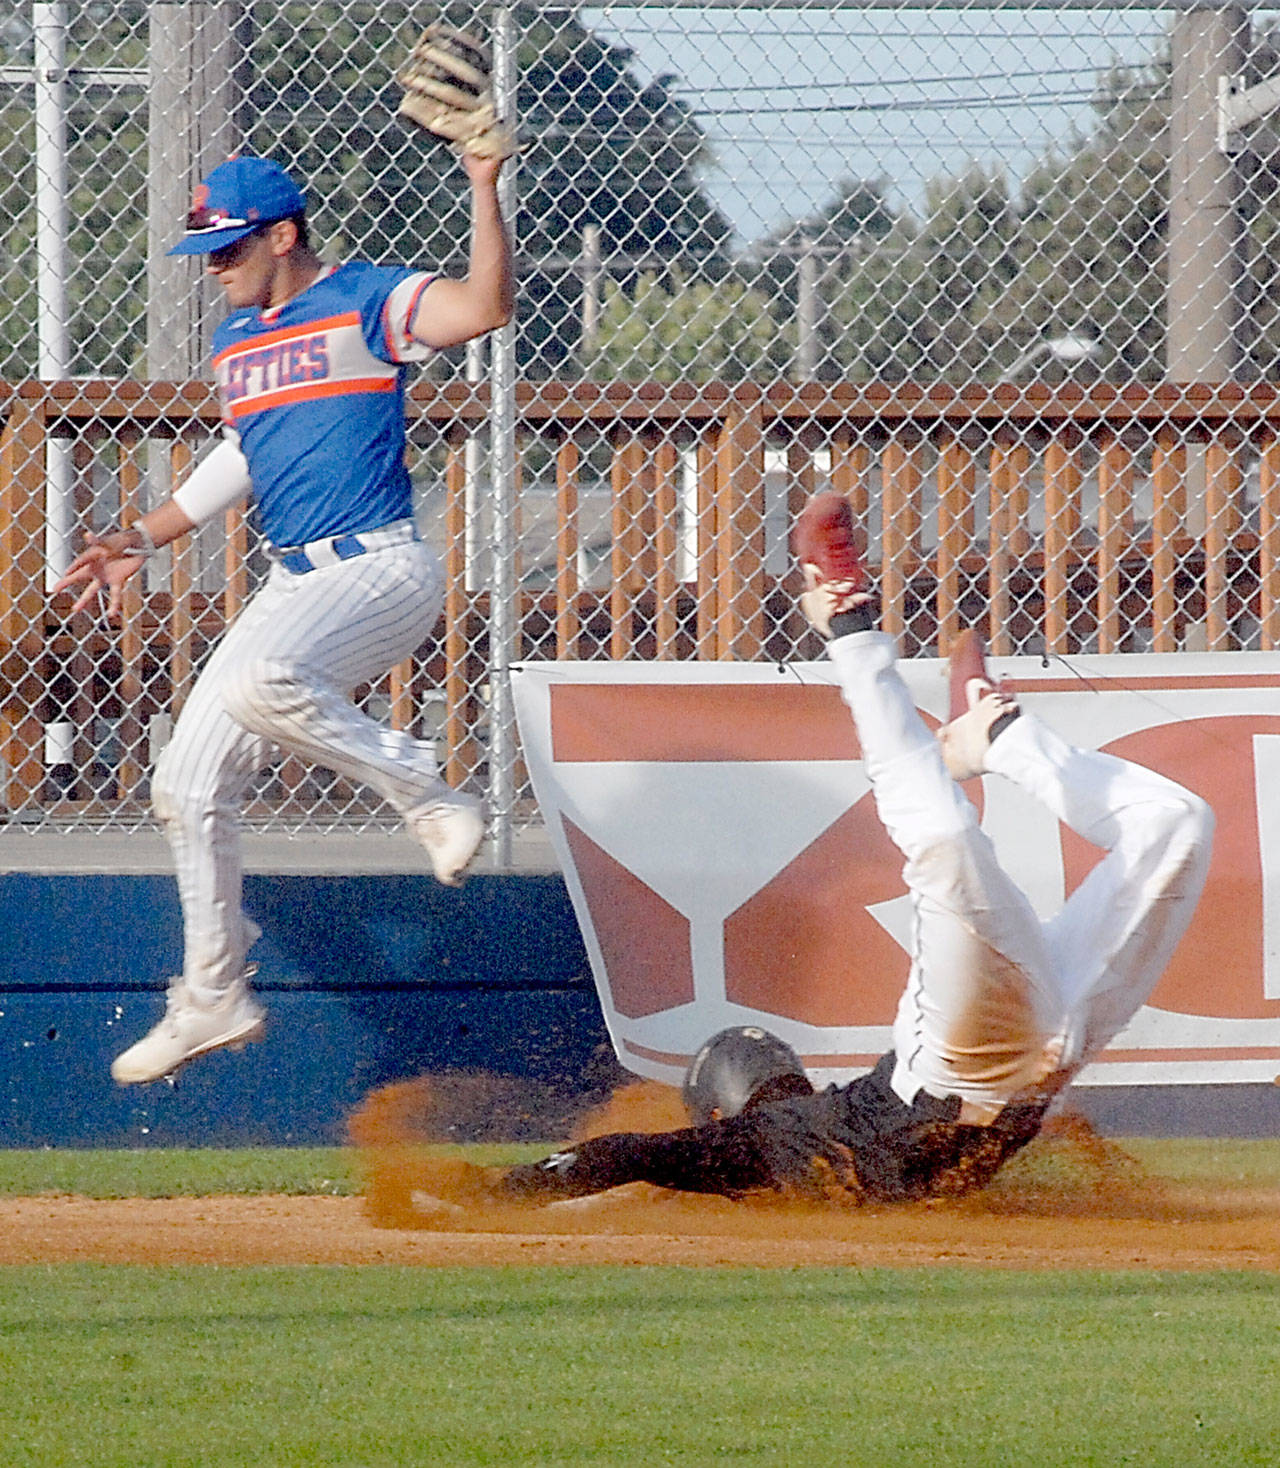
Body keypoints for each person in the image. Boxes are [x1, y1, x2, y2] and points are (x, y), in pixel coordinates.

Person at [488, 493, 1213, 1206]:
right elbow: (628, 1163)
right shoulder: (784, 1143)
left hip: (966, 1064)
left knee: (947, 844)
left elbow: (625, 1157)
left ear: (720, 1111)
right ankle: (1001, 739)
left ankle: (850, 625)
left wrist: (487, 1195)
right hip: (1050, 1048)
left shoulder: (766, 1147)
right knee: (1177, 824)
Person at [54, 151, 515, 1085]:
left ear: (283, 235)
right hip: (290, 585)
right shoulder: (237, 343)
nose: (215, 266)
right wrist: (144, 532)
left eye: (229, 249)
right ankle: (213, 996)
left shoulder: (364, 299)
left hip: (380, 568)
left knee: (267, 681)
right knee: (183, 784)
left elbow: (484, 309)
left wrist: (481, 184)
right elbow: (245, 451)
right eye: (208, 251)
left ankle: (427, 791)